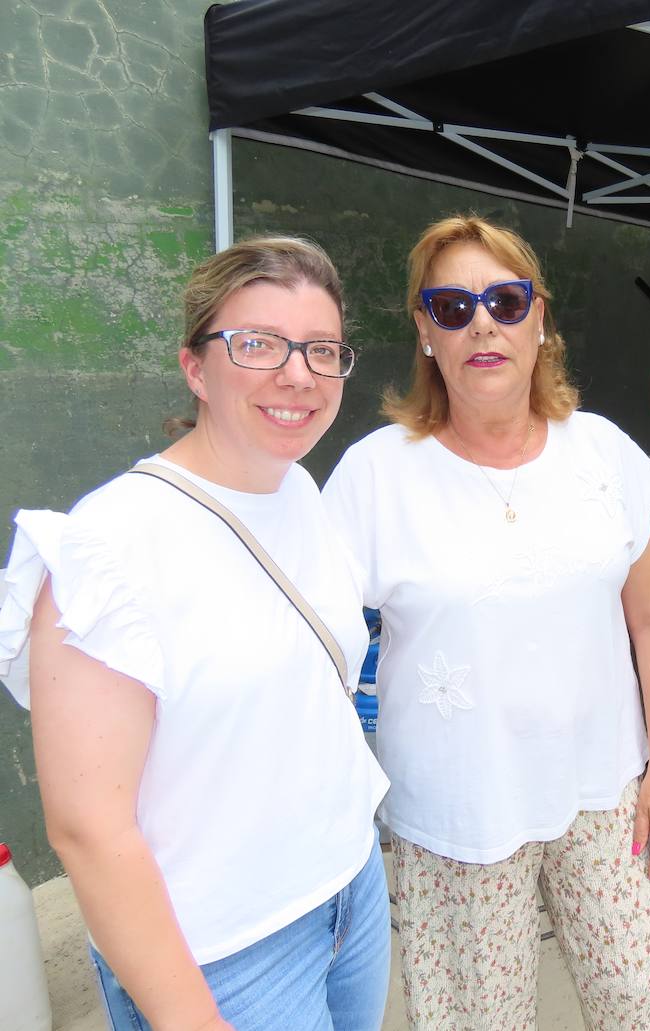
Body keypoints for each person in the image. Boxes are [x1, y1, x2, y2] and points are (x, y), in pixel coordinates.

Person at [0, 238, 391, 1029]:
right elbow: (87, 829)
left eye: (321, 349)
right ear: (195, 368)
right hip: (227, 953)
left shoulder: (302, 491)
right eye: (257, 344)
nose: (297, 374)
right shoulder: (107, 547)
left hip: (351, 889)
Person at [323, 215, 650, 1030]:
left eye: (505, 299)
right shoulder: (377, 474)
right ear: (425, 330)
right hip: (457, 811)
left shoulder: (601, 452)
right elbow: (316, 648)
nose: (482, 322)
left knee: (636, 1004)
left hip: (603, 788)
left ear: (540, 319)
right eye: (452, 306)